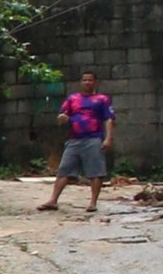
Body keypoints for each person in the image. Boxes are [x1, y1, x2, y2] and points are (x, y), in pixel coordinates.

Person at [43, 71, 114, 214]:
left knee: (96, 172)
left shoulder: (102, 99)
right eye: (84, 80)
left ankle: (93, 202)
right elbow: (62, 115)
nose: (87, 82)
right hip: (74, 139)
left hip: (93, 138)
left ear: (95, 82)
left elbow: (109, 119)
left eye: (90, 80)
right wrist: (62, 118)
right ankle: (53, 200)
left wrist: (108, 138)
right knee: (64, 170)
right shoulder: (72, 99)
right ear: (81, 82)